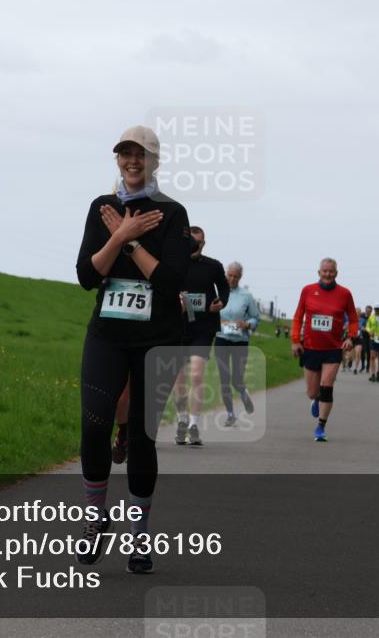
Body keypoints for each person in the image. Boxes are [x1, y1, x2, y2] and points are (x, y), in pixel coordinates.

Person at [75, 125, 191, 574]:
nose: (132, 161)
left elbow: (170, 281)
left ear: (154, 160)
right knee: (93, 424)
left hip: (157, 339)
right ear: (117, 160)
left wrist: (134, 240)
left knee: (142, 438)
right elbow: (87, 275)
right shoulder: (101, 208)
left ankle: (139, 536)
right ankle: (95, 519)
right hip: (107, 334)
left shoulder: (172, 213)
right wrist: (118, 235)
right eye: (125, 154)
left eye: (140, 154)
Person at [172, 227, 229, 446]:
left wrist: (221, 302)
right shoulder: (174, 264)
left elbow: (224, 288)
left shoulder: (213, 266)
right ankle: (182, 420)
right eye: (192, 242)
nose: (195, 246)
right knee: (179, 379)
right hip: (178, 327)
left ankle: (194, 425)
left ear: (204, 243)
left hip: (204, 327)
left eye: (199, 242)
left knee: (196, 375)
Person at [291, 258, 358, 442]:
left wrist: (350, 338)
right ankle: (316, 399)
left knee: (327, 386)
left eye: (331, 271)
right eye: (324, 271)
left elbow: (353, 319)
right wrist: (295, 341)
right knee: (312, 392)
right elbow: (298, 317)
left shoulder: (345, 294)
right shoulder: (307, 290)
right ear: (318, 272)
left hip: (333, 348)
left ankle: (321, 426)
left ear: (336, 273)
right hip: (311, 347)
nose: (328, 274)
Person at [214, 262, 260, 427]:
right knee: (224, 378)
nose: (232, 279)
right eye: (230, 275)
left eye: (236, 276)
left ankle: (243, 394)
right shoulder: (217, 292)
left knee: (236, 378)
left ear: (240, 277)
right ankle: (230, 414)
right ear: (226, 274)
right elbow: (210, 311)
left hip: (240, 342)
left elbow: (255, 317)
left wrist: (247, 324)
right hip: (221, 339)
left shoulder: (246, 296)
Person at [358, 306, 372, 374]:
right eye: (367, 310)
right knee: (363, 351)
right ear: (365, 310)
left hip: (370, 336)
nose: (368, 312)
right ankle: (363, 366)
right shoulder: (362, 317)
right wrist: (363, 328)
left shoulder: (372, 318)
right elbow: (360, 325)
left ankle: (368, 367)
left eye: (369, 311)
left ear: (371, 311)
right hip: (363, 336)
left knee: (369, 351)